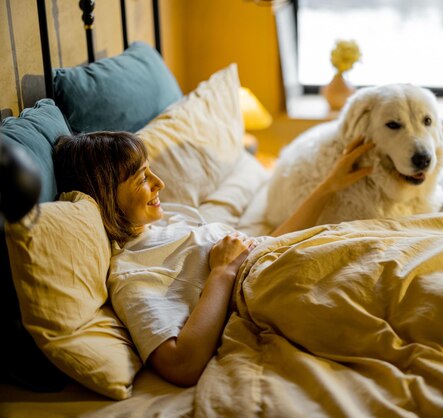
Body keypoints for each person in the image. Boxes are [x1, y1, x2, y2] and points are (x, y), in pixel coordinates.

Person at [53, 131, 374, 387]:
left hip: (287, 255)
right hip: (282, 281)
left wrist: (330, 185)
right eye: (141, 178)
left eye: (150, 169)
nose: (159, 183)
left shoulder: (166, 224)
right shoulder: (134, 273)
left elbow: (261, 245)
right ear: (107, 196)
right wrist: (222, 272)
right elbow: (182, 365)